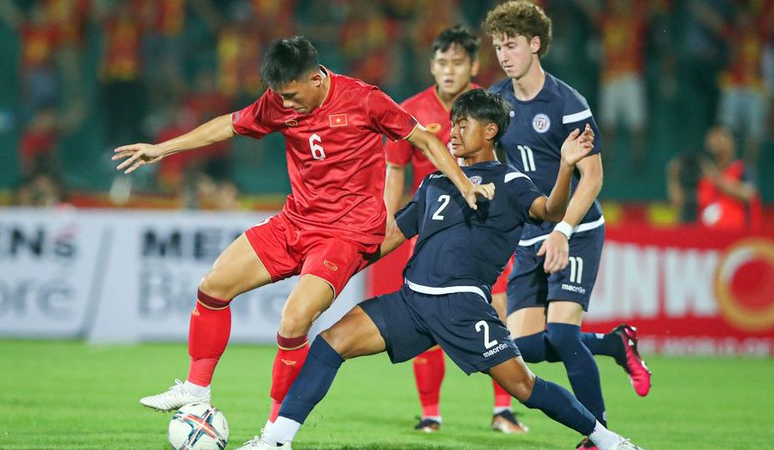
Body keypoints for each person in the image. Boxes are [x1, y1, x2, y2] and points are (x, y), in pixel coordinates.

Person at [112, 36, 491, 432]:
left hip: (347, 232)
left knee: (292, 322)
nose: (286, 104)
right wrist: (163, 149)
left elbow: (426, 139)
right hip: (295, 221)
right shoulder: (279, 101)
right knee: (213, 286)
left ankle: (276, 432)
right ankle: (196, 389)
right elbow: (229, 125)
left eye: (292, 96)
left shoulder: (364, 99)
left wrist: (465, 185)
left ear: (315, 78)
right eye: (280, 97)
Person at [237, 89, 644, 450]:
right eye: (453, 123)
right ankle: (276, 440)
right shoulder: (436, 180)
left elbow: (551, 211)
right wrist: (333, 264)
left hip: (464, 310)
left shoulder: (512, 182)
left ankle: (610, 441)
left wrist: (566, 168)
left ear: (489, 131)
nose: (452, 132)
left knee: (524, 387)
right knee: (330, 342)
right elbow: (393, 234)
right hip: (411, 302)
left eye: (463, 125)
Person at [482, 3, 652, 449]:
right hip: (528, 237)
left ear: (535, 44)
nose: (503, 54)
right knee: (520, 350)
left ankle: (599, 436)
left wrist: (564, 232)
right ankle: (615, 346)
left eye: (512, 44)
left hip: (576, 231)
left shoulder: (567, 103)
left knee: (561, 333)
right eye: (498, 46)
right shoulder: (497, 101)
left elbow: (593, 177)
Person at [383, 24, 526, 434]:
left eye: (457, 62)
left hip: (485, 230)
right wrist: (388, 225)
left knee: (497, 313)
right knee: (423, 312)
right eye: (442, 62)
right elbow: (395, 172)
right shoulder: (409, 112)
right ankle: (431, 413)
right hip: (432, 231)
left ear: (473, 66)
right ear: (431, 65)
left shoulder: (493, 108)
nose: (448, 70)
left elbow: (509, 169)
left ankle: (503, 410)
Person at [696, 126, 761, 230]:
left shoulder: (743, 169)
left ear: (731, 144)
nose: (716, 142)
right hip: (707, 236)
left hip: (736, 236)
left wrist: (715, 177)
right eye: (712, 139)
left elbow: (748, 194)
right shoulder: (705, 177)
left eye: (720, 138)